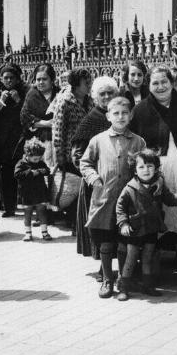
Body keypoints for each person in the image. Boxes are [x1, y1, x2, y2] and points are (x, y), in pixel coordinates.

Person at [129, 65, 177, 291]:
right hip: (153, 172)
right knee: (156, 219)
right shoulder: (140, 110)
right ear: (148, 85)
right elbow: (136, 146)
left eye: (164, 82)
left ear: (173, 83)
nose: (160, 87)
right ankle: (154, 275)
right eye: (155, 83)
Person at [80, 96, 146, 298]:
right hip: (105, 199)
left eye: (125, 113)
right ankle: (107, 279)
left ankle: (123, 281)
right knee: (106, 242)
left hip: (128, 203)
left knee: (124, 242)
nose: (120, 117)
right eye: (116, 113)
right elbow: (85, 163)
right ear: (108, 116)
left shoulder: (138, 141)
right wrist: (93, 177)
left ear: (131, 115)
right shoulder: (98, 140)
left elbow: (145, 166)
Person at [116, 149, 177, 299]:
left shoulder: (159, 185)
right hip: (135, 229)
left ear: (156, 168)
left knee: (148, 257)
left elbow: (169, 199)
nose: (146, 170)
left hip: (152, 228)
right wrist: (123, 224)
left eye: (149, 166)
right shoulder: (129, 188)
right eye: (141, 167)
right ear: (135, 170)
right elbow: (120, 207)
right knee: (131, 258)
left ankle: (148, 286)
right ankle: (123, 288)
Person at [72, 76, 118, 264]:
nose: (106, 97)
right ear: (95, 96)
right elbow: (77, 155)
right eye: (102, 94)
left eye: (110, 93)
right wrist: (93, 176)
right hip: (97, 183)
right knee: (100, 226)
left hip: (118, 181)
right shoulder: (90, 119)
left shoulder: (119, 114)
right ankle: (103, 267)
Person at [0, 63, 29, 217]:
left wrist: (18, 100)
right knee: (6, 173)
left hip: (19, 138)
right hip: (3, 140)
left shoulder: (24, 92)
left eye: (12, 78)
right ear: (1, 79)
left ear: (17, 79)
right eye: (5, 78)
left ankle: (27, 203)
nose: (9, 80)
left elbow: (28, 112)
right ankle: (9, 207)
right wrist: (2, 101)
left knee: (21, 170)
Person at [52, 68, 92, 175]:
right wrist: (60, 155)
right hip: (70, 156)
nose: (90, 85)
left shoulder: (90, 100)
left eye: (90, 82)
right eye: (86, 83)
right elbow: (58, 131)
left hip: (89, 153)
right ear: (76, 85)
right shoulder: (64, 102)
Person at [14, 138, 52, 242]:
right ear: (28, 155)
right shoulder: (21, 163)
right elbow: (17, 174)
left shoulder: (40, 163)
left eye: (39, 158)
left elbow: (47, 171)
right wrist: (30, 173)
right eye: (35, 159)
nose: (37, 161)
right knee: (28, 213)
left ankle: (45, 232)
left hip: (40, 192)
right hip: (26, 193)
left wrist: (43, 171)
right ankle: (28, 233)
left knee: (42, 212)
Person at [20, 63, 58, 168]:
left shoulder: (59, 93)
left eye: (44, 79)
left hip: (58, 140)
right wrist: (46, 123)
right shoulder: (32, 95)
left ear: (52, 80)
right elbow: (24, 118)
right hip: (37, 143)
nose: (41, 82)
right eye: (38, 79)